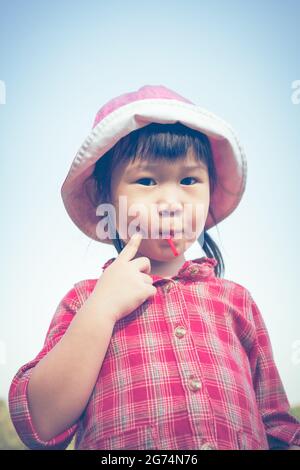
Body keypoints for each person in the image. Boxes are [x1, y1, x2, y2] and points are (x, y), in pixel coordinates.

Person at [8, 85, 300, 450]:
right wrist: (101, 311)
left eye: (190, 180)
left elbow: (279, 427)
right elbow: (41, 424)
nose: (171, 202)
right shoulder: (85, 301)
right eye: (146, 181)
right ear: (105, 197)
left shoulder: (237, 302)